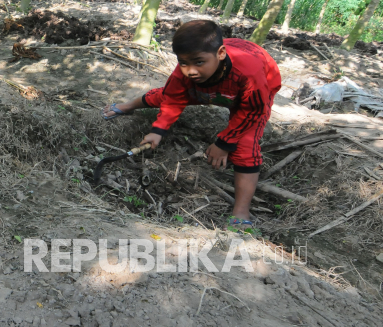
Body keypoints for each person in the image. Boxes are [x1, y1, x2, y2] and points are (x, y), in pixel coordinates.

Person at [102, 20, 282, 219]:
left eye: (198, 62)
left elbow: (252, 111)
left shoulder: (250, 73)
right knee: (164, 94)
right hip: (213, 84)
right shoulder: (188, 72)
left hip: (250, 95)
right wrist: (158, 130)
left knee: (246, 145)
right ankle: (127, 106)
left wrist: (224, 143)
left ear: (220, 53)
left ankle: (241, 211)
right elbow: (172, 97)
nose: (191, 71)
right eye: (183, 63)